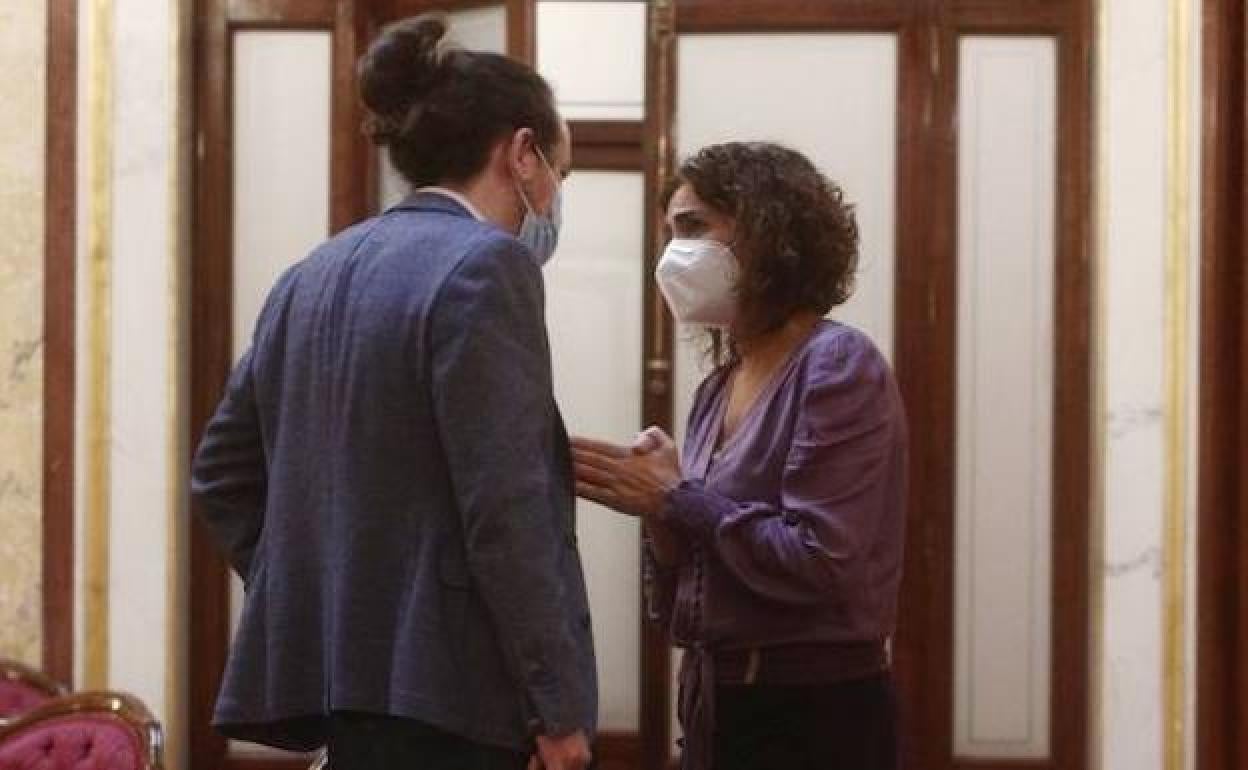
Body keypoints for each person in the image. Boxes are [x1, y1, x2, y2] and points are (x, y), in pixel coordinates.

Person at [190, 14, 595, 770]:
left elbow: (220, 475)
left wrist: (324, 585)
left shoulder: (311, 274)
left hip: (346, 692)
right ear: (521, 153)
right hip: (460, 702)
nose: (554, 195)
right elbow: (506, 510)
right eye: (560, 174)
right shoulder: (488, 265)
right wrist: (557, 706)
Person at [573, 142, 907, 770]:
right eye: (670, 233)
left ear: (766, 230)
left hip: (813, 713)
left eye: (693, 228)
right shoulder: (716, 388)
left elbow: (819, 561)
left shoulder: (836, 363)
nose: (674, 254)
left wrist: (676, 496)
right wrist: (658, 512)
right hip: (718, 705)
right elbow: (683, 603)